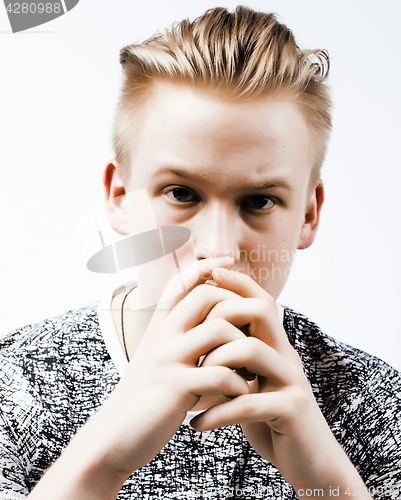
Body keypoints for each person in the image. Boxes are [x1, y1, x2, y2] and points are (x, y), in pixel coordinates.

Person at [0, 5, 400, 500]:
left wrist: (328, 484)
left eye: (259, 201)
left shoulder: (374, 404)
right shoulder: (17, 386)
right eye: (181, 194)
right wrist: (98, 462)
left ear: (309, 214)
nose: (217, 251)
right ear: (120, 199)